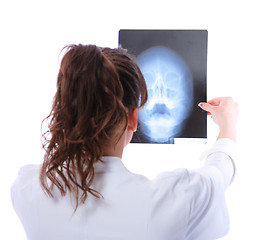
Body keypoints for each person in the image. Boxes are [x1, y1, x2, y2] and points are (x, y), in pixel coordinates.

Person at [11, 44, 238, 240]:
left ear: (65, 112)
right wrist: (227, 125)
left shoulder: (28, 191)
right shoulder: (173, 200)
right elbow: (218, 174)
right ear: (133, 118)